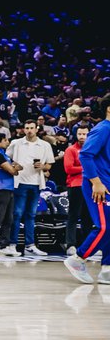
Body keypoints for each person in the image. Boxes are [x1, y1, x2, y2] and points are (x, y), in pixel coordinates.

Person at [64, 94, 110, 285]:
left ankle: (107, 268)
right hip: (98, 186)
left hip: (106, 184)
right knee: (103, 226)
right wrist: (96, 182)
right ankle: (78, 259)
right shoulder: (103, 129)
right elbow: (86, 155)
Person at [6, 120, 54, 257]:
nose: (29, 130)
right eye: (27, 128)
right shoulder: (16, 143)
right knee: (17, 214)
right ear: (23, 129)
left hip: (37, 183)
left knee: (31, 215)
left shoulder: (44, 145)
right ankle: (12, 245)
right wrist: (13, 164)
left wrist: (43, 167)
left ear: (37, 129)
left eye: (32, 128)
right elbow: (6, 158)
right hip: (19, 182)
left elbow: (49, 165)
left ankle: (30, 245)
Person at [64, 125, 92, 255]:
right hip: (75, 186)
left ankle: (87, 246)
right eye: (80, 134)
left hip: (90, 186)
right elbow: (69, 169)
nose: (82, 136)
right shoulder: (71, 150)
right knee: (73, 216)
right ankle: (70, 244)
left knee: (88, 217)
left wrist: (81, 167)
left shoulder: (93, 149)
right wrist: (86, 167)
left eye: (84, 134)